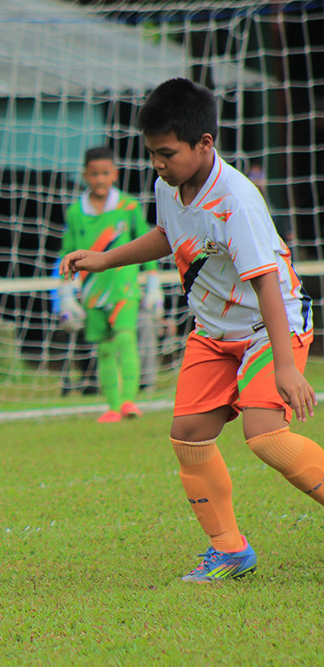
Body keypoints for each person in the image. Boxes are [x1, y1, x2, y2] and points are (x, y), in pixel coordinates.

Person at [60, 77, 320, 583]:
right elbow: (167, 234)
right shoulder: (167, 185)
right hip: (213, 331)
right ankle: (229, 550)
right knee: (189, 436)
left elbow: (266, 281)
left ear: (205, 144)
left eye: (167, 153)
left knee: (265, 437)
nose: (158, 163)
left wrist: (285, 365)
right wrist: (105, 259)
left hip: (272, 325)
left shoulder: (236, 201)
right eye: (152, 153)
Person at [56, 146, 163, 423]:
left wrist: (153, 284)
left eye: (105, 173)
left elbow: (149, 243)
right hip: (92, 290)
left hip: (124, 287)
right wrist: (66, 295)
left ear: (114, 174)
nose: (100, 179)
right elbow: (66, 253)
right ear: (84, 176)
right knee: (103, 348)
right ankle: (113, 406)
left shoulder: (128, 207)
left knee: (126, 338)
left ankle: (129, 401)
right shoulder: (75, 213)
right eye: (94, 174)